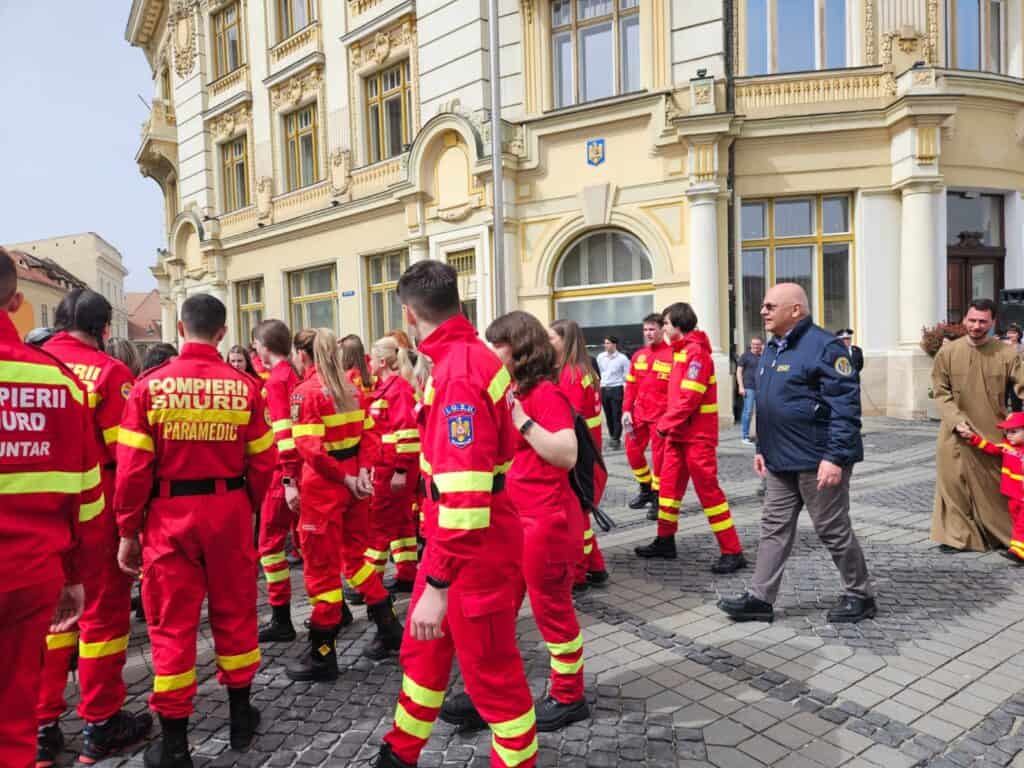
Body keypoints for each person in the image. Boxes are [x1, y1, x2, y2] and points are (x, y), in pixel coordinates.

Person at [375, 260, 538, 768]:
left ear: (409, 311)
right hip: (455, 545)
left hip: (472, 551)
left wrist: (438, 587)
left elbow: (466, 498)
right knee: (422, 658)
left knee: (495, 682)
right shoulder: (459, 359)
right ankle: (400, 755)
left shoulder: (459, 372)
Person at [114, 294, 274, 766]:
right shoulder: (246, 388)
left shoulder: (148, 388)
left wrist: (128, 529)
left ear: (180, 330)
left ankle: (176, 743)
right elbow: (263, 462)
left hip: (169, 516)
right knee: (236, 614)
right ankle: (242, 719)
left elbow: (131, 473)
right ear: (222, 333)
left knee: (171, 627)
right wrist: (247, 507)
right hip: (227, 510)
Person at [37, 290, 152, 766]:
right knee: (102, 619)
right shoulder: (110, 373)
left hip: (39, 512)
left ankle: (41, 727)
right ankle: (101, 723)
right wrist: (131, 524)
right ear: (106, 330)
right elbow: (125, 461)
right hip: (93, 510)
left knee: (50, 620)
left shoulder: (30, 366)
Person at [718, 283, 874, 624]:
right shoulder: (774, 347)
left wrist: (834, 457)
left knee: (832, 528)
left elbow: (845, 409)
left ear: (795, 310)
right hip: (779, 460)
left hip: (817, 461)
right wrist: (761, 447)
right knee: (773, 528)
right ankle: (760, 598)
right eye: (763, 306)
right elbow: (768, 403)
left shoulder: (826, 348)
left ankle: (860, 594)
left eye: (770, 306)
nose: (763, 311)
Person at [0, 248, 92, 768]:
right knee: (14, 718)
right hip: (34, 574)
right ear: (16, 302)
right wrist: (75, 574)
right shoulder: (56, 381)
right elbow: (84, 494)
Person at [484, 311, 590, 729]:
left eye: (500, 344)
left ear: (521, 350)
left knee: (552, 610)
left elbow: (566, 454)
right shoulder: (510, 390)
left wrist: (519, 419)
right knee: (499, 607)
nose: (493, 352)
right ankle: (493, 690)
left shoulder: (544, 394)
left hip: (545, 520)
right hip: (514, 519)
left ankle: (569, 695)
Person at [287, 328, 404, 680]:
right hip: (354, 487)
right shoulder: (352, 389)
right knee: (356, 562)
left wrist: (345, 477)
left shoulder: (306, 394)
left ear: (303, 355)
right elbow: (371, 435)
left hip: (325, 491)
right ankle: (388, 628)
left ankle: (323, 656)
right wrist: (363, 472)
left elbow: (311, 451)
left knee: (321, 574)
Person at [634, 303, 746, 574]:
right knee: (668, 491)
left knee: (709, 492)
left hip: (696, 437)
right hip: (679, 435)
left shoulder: (697, 354)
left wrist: (663, 425)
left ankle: (732, 551)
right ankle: (665, 540)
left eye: (667, 324)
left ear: (678, 327)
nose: (664, 329)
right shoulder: (682, 352)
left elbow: (689, 399)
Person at [932, 298, 1024, 552]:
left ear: (993, 322)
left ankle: (1003, 537)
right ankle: (958, 538)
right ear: (964, 320)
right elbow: (940, 393)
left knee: (994, 491)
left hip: (992, 435)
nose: (976, 326)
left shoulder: (1006, 354)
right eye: (972, 320)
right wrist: (956, 421)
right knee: (953, 487)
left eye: (983, 321)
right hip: (954, 432)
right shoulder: (947, 353)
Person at [252, 320, 302, 643]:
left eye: (257, 344)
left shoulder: (276, 382)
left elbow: (283, 433)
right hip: (296, 471)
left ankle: (281, 615)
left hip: (280, 474)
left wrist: (286, 477)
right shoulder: (292, 375)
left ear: (264, 346)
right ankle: (333, 606)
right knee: (303, 541)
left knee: (270, 545)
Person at [549, 319, 608, 590]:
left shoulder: (571, 375)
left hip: (579, 458)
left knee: (578, 518)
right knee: (581, 514)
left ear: (565, 340)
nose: (548, 343)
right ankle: (595, 566)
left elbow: (567, 421)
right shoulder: (583, 370)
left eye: (552, 338)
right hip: (589, 455)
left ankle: (580, 573)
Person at [367, 336, 421, 593]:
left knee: (379, 524)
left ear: (381, 360)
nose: (368, 364)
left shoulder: (397, 389)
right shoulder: (388, 387)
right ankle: (407, 573)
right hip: (389, 467)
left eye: (371, 358)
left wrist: (400, 470)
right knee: (400, 524)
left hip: (392, 469)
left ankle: (370, 582)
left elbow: (408, 433)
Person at [623, 314, 672, 520]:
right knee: (632, 451)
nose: (648, 333)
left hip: (660, 418)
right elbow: (631, 386)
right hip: (639, 415)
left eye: (652, 329)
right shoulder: (638, 356)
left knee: (659, 460)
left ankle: (658, 497)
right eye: (645, 330)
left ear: (662, 330)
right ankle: (645, 488)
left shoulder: (672, 356)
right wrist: (626, 410)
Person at [957, 413, 1024, 565]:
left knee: (1022, 525)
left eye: (1014, 431)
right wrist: (972, 437)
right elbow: (991, 448)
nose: (1009, 435)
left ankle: (1017, 552)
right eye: (1007, 432)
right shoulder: (1007, 446)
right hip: (1013, 495)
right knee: (1016, 522)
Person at [596, 335, 630, 450]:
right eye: (605, 343)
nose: (606, 345)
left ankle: (616, 439)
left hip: (617, 388)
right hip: (604, 388)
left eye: (608, 343)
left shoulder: (622, 359)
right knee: (608, 415)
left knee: (616, 414)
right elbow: (599, 373)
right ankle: (611, 436)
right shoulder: (600, 357)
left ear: (614, 344)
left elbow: (627, 375)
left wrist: (625, 390)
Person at [736, 337, 763, 445]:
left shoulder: (762, 357)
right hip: (748, 387)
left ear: (761, 346)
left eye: (758, 344)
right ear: (751, 345)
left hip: (760, 388)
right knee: (748, 412)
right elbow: (739, 372)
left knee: (761, 412)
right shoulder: (745, 356)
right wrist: (740, 387)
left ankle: (759, 435)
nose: (756, 346)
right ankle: (745, 436)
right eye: (754, 344)